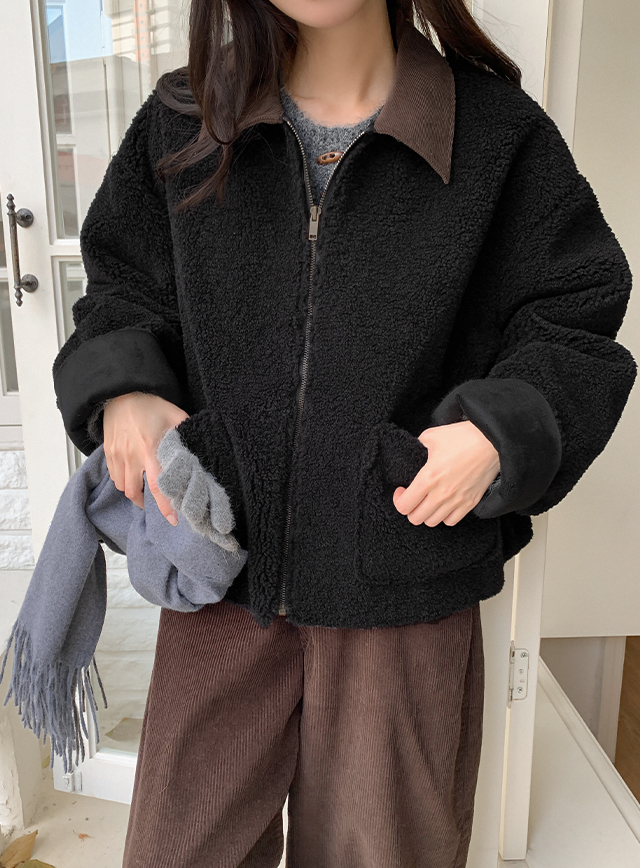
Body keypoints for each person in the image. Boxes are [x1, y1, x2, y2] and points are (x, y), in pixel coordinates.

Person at [51, 1, 637, 866]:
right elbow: (123, 282)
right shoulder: (188, 117)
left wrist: (499, 430)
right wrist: (125, 386)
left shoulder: (497, 135)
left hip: (404, 584)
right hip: (222, 573)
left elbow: (575, 316)